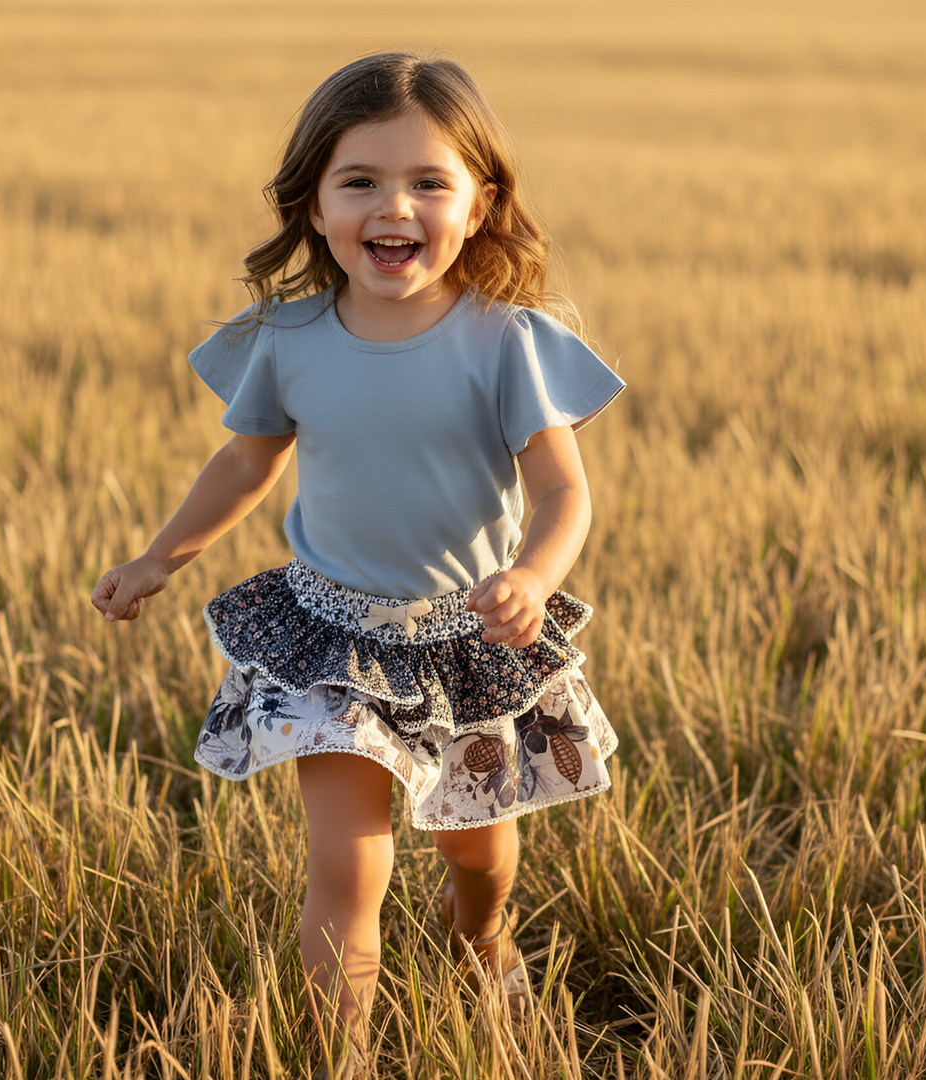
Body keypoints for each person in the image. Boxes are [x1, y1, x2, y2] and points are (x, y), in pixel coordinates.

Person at [91, 51, 623, 1078]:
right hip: (329, 638)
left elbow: (565, 493)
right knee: (347, 863)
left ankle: (481, 937)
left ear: (481, 203)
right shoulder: (288, 339)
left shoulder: (503, 341)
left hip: (469, 640)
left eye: (430, 181)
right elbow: (247, 459)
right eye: (361, 181)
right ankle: (345, 1055)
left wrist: (533, 577)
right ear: (315, 202)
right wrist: (162, 555)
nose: (397, 205)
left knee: (478, 849)